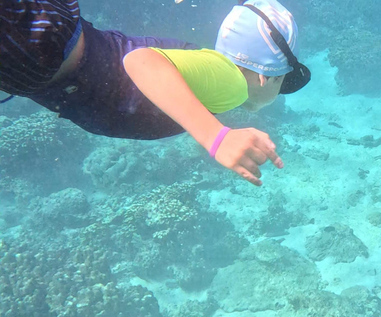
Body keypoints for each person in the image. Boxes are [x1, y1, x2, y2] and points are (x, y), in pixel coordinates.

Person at [0, 0, 310, 185]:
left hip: (42, 53)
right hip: (38, 42)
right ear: (264, 77)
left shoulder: (207, 70)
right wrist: (218, 137)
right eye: (283, 81)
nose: (281, 92)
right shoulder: (230, 83)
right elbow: (141, 61)